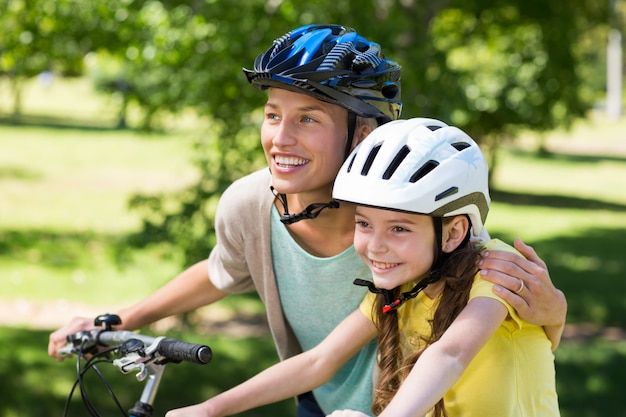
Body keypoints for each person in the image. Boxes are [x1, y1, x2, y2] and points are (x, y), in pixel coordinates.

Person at [48, 25, 566, 416]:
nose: (281, 138)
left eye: (308, 119)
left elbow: (465, 344)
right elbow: (227, 277)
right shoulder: (256, 204)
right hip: (326, 405)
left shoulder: (428, 214)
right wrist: (123, 323)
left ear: (363, 133)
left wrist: (554, 311)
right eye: (273, 115)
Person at [165, 118, 560, 417]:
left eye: (400, 228)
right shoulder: (403, 289)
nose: (374, 245)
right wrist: (210, 409)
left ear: (454, 231)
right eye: (364, 223)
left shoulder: (494, 271)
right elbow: (319, 361)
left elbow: (450, 354)